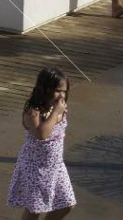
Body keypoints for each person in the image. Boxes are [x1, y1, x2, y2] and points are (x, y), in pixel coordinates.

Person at [7, 67, 75, 220]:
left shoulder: (57, 108)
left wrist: (57, 111)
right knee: (35, 209)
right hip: (35, 168)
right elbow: (41, 134)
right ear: (44, 89)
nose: (62, 95)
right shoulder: (33, 112)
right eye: (58, 91)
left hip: (55, 165)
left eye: (64, 91)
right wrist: (56, 113)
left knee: (66, 204)